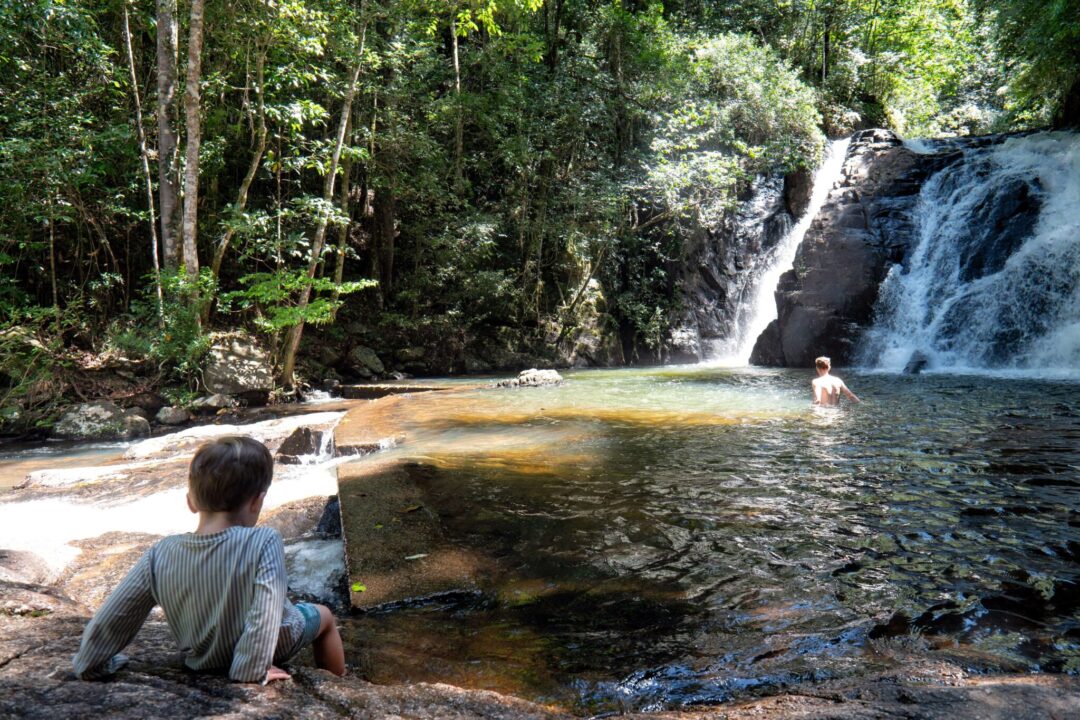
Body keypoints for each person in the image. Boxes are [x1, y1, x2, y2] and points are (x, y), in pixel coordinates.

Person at [72, 436, 345, 684]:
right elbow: (267, 609)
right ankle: (337, 682)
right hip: (274, 645)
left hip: (201, 655)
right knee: (325, 616)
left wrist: (90, 663)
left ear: (190, 502)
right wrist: (252, 667)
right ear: (257, 502)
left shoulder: (161, 552)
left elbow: (117, 613)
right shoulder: (264, 540)